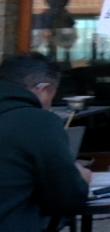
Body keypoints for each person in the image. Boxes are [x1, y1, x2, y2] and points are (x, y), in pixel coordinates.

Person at [0, 54, 92, 232]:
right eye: (52, 98)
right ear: (43, 89)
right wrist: (80, 178)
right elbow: (68, 198)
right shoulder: (37, 121)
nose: (50, 105)